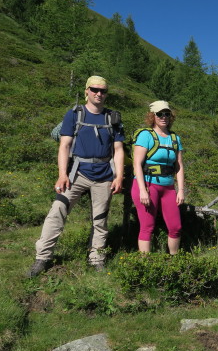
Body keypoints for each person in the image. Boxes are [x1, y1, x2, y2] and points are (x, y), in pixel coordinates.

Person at [27, 76, 125, 276]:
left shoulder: (113, 117)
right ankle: (42, 258)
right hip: (76, 173)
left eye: (103, 91)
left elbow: (119, 150)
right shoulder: (74, 114)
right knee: (57, 212)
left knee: (100, 220)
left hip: (105, 175)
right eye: (95, 89)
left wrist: (119, 177)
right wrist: (62, 174)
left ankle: (96, 259)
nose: (99, 94)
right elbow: (64, 145)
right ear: (86, 91)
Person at [131, 101, 185, 254]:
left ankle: (175, 261)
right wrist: (142, 190)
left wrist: (180, 190)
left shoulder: (175, 138)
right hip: (148, 185)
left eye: (167, 114)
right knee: (147, 226)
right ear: (152, 116)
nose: (164, 117)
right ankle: (145, 266)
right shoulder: (145, 135)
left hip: (168, 187)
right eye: (159, 114)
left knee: (175, 227)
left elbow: (179, 166)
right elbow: (137, 164)